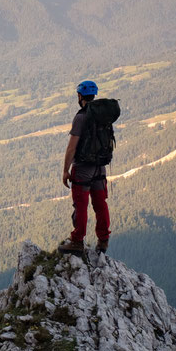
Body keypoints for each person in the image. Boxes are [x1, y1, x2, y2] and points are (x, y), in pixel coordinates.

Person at [58, 80, 110, 254]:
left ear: (80, 96)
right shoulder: (103, 115)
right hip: (100, 168)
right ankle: (103, 241)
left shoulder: (81, 117)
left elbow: (71, 147)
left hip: (83, 169)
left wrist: (65, 170)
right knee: (100, 204)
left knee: (81, 205)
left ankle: (77, 241)